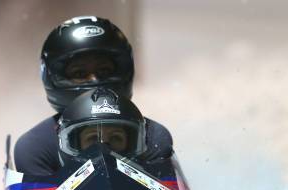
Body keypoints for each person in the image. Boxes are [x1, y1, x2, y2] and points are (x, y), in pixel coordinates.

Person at [14, 15, 173, 175]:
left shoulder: (154, 138)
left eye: (104, 71)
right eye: (80, 73)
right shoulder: (35, 149)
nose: (95, 81)